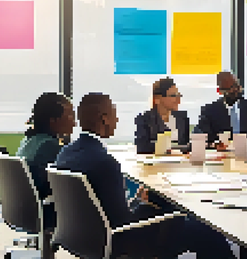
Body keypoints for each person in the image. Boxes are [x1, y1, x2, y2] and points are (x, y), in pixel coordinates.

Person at [55, 93, 235, 258]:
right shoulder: (105, 162)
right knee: (206, 231)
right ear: (104, 119)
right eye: (114, 114)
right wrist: (140, 204)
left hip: (83, 239)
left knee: (162, 207)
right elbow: (124, 223)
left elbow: (103, 208)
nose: (117, 119)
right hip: (120, 241)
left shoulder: (66, 153)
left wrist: (138, 202)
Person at [16, 92, 76, 229]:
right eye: (70, 116)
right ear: (53, 120)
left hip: (26, 208)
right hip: (44, 211)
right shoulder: (49, 147)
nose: (75, 122)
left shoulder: (30, 141)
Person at [195, 71, 247, 149]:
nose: (235, 90)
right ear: (220, 91)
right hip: (222, 157)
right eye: (230, 88)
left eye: (236, 86)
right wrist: (214, 145)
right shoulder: (209, 111)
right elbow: (201, 137)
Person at [135, 77, 190, 154]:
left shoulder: (182, 118)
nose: (178, 100)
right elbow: (142, 148)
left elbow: (187, 147)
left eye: (178, 95)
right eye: (173, 96)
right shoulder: (145, 120)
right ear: (157, 99)